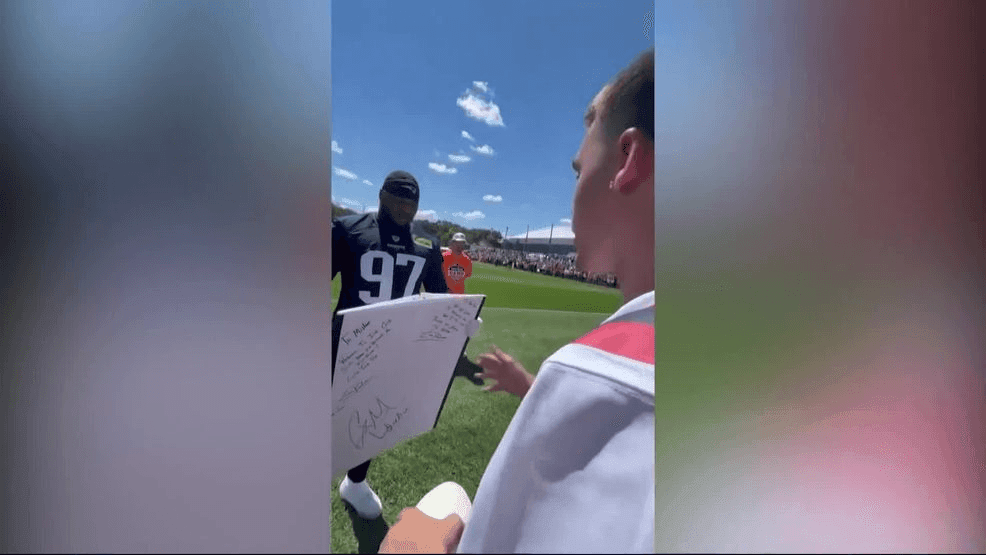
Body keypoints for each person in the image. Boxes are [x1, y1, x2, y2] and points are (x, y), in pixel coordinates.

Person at [379, 46, 655, 553]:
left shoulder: (591, 369)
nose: (574, 184)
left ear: (627, 162)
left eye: (577, 171)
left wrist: (409, 547)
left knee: (444, 501)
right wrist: (534, 389)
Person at [331, 170, 448, 519]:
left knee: (372, 419)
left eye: (411, 203)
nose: (404, 209)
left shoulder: (426, 247)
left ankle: (355, 482)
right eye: (397, 200)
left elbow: (441, 300)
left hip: (391, 349)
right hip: (343, 342)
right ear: (381, 196)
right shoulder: (349, 229)